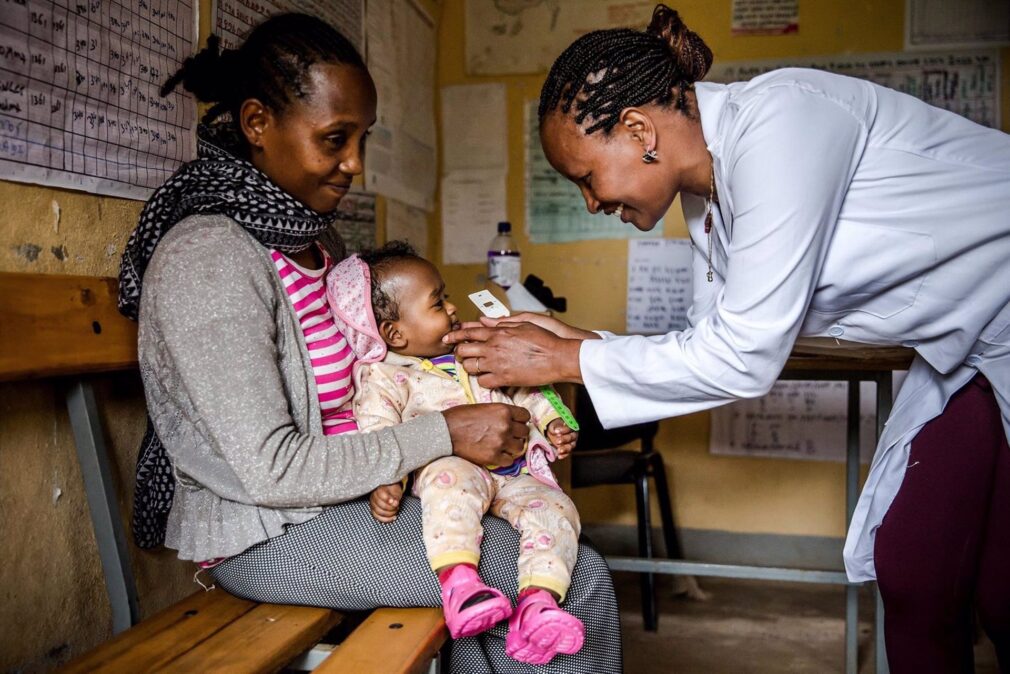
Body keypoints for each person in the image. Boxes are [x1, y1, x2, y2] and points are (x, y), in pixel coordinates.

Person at [445, 5, 1010, 673]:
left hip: (994, 323)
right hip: (973, 350)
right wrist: (579, 338)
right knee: (918, 570)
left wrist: (566, 356)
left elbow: (742, 356)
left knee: (991, 587)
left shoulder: (782, 123)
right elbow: (715, 340)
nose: (591, 203)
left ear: (637, 129)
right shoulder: (707, 199)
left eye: (586, 179)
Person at [118, 14, 621, 673]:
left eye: (361, 139)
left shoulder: (314, 241)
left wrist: (457, 362)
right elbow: (270, 472)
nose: (354, 163)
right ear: (256, 124)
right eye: (335, 139)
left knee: (501, 571)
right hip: (271, 532)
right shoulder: (209, 258)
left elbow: (378, 366)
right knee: (575, 579)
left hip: (352, 495)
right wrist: (444, 431)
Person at [323, 242, 584, 665]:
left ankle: (538, 604)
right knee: (450, 481)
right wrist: (387, 479)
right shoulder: (384, 377)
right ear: (395, 333)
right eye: (437, 301)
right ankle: (460, 584)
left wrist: (552, 422)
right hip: (455, 469)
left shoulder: (470, 351)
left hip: (514, 475)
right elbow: (378, 435)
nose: (452, 307)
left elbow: (522, 388)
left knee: (558, 509)